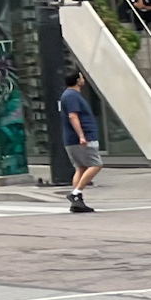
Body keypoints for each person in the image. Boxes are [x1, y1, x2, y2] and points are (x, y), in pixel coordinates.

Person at [58, 70, 102, 213]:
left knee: (81, 167)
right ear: (78, 81)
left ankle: (77, 202)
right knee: (96, 164)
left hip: (72, 139)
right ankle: (75, 194)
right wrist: (82, 136)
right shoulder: (72, 96)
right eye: (82, 77)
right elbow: (73, 116)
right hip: (82, 138)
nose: (84, 80)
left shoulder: (68, 95)